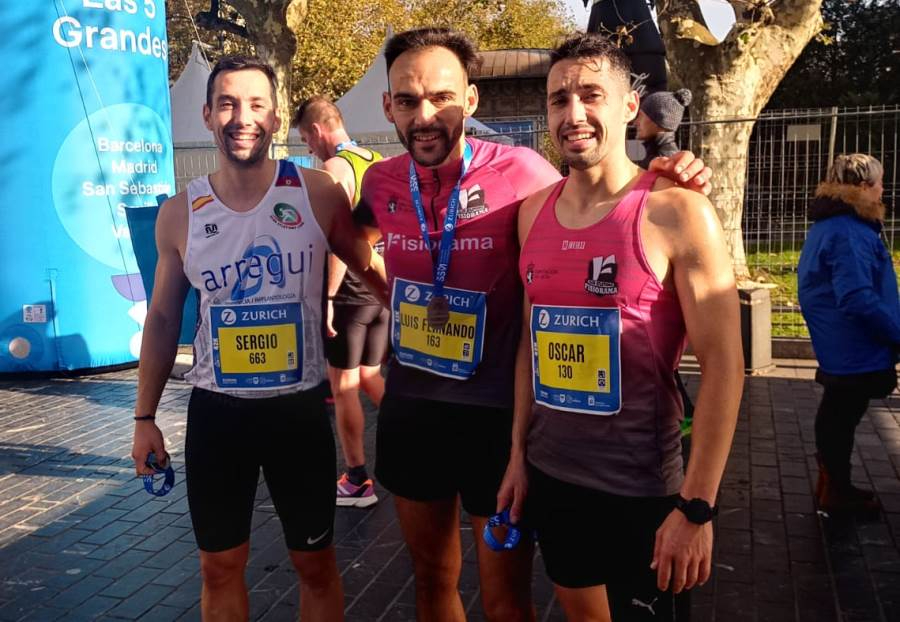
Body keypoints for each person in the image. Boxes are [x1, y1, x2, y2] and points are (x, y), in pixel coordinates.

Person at [352, 27, 713, 621]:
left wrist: (668, 174)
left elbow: (596, 197)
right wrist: (384, 289)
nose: (425, 114)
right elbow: (354, 235)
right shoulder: (381, 180)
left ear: (470, 100)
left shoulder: (525, 174)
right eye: (408, 100)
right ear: (388, 105)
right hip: (413, 405)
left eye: (441, 97)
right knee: (430, 582)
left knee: (504, 601)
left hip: (496, 418)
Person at [498, 33, 744, 621]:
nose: (573, 114)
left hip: (645, 493)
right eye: (559, 99)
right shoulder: (533, 211)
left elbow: (725, 367)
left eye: (591, 95)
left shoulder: (676, 210)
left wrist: (698, 508)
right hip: (553, 477)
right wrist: (515, 455)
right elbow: (533, 344)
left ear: (629, 106)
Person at [130, 56, 386, 622]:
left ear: (275, 119)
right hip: (219, 417)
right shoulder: (180, 214)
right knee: (217, 568)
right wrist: (144, 418)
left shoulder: (317, 193)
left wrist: (429, 322)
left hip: (296, 415)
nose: (240, 117)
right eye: (226, 103)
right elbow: (163, 320)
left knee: (315, 566)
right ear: (206, 115)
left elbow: (372, 272)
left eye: (254, 105)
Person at [293, 96, 387, 508]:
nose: (309, 148)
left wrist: (328, 296)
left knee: (343, 386)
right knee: (369, 376)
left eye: (305, 139)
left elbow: (335, 240)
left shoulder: (333, 169)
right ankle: (426, 440)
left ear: (315, 131)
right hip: (379, 287)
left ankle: (357, 479)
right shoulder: (376, 160)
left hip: (348, 292)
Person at [798, 153, 899, 515]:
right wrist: (895, 333)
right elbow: (856, 296)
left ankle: (832, 484)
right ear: (861, 187)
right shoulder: (850, 230)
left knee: (837, 413)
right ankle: (836, 489)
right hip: (855, 344)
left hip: (838, 341)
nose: (883, 189)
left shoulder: (829, 224)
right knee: (842, 415)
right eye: (879, 182)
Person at [634, 88, 692, 170]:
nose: (635, 122)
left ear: (659, 120)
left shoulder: (666, 162)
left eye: (640, 116)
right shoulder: (653, 152)